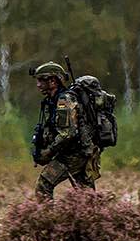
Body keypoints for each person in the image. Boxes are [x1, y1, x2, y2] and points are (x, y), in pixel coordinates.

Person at [30, 62, 99, 199]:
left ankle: (47, 219)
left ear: (53, 81)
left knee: (44, 184)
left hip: (73, 154)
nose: (38, 85)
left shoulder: (64, 101)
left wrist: (49, 152)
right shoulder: (53, 100)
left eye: (41, 80)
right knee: (86, 197)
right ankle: (99, 219)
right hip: (78, 152)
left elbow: (68, 133)